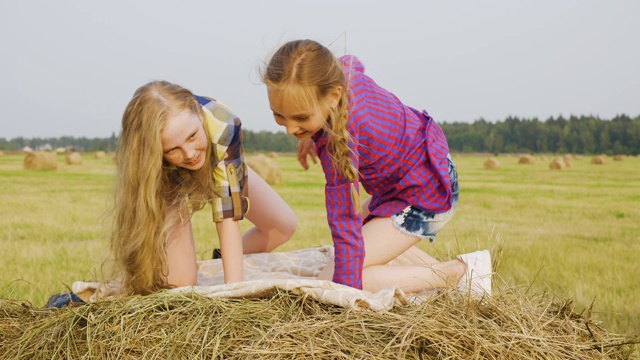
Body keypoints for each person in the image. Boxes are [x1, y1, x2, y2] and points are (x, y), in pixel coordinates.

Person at [261, 39, 491, 295]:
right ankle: (451, 285)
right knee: (362, 240)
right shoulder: (342, 75)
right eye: (279, 116)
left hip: (423, 190)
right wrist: (311, 132)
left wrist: (344, 290)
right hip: (422, 168)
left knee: (335, 279)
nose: (291, 129)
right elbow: (352, 61)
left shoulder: (340, 144)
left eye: (301, 117)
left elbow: (344, 220)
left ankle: (460, 273)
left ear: (333, 96)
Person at [107, 80, 297, 295]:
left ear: (198, 112)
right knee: (180, 284)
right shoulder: (148, 159)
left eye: (192, 136)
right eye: (172, 149)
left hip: (219, 159)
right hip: (171, 179)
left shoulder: (225, 125)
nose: (189, 153)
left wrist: (233, 292)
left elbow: (227, 216)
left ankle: (220, 259)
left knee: (283, 225)